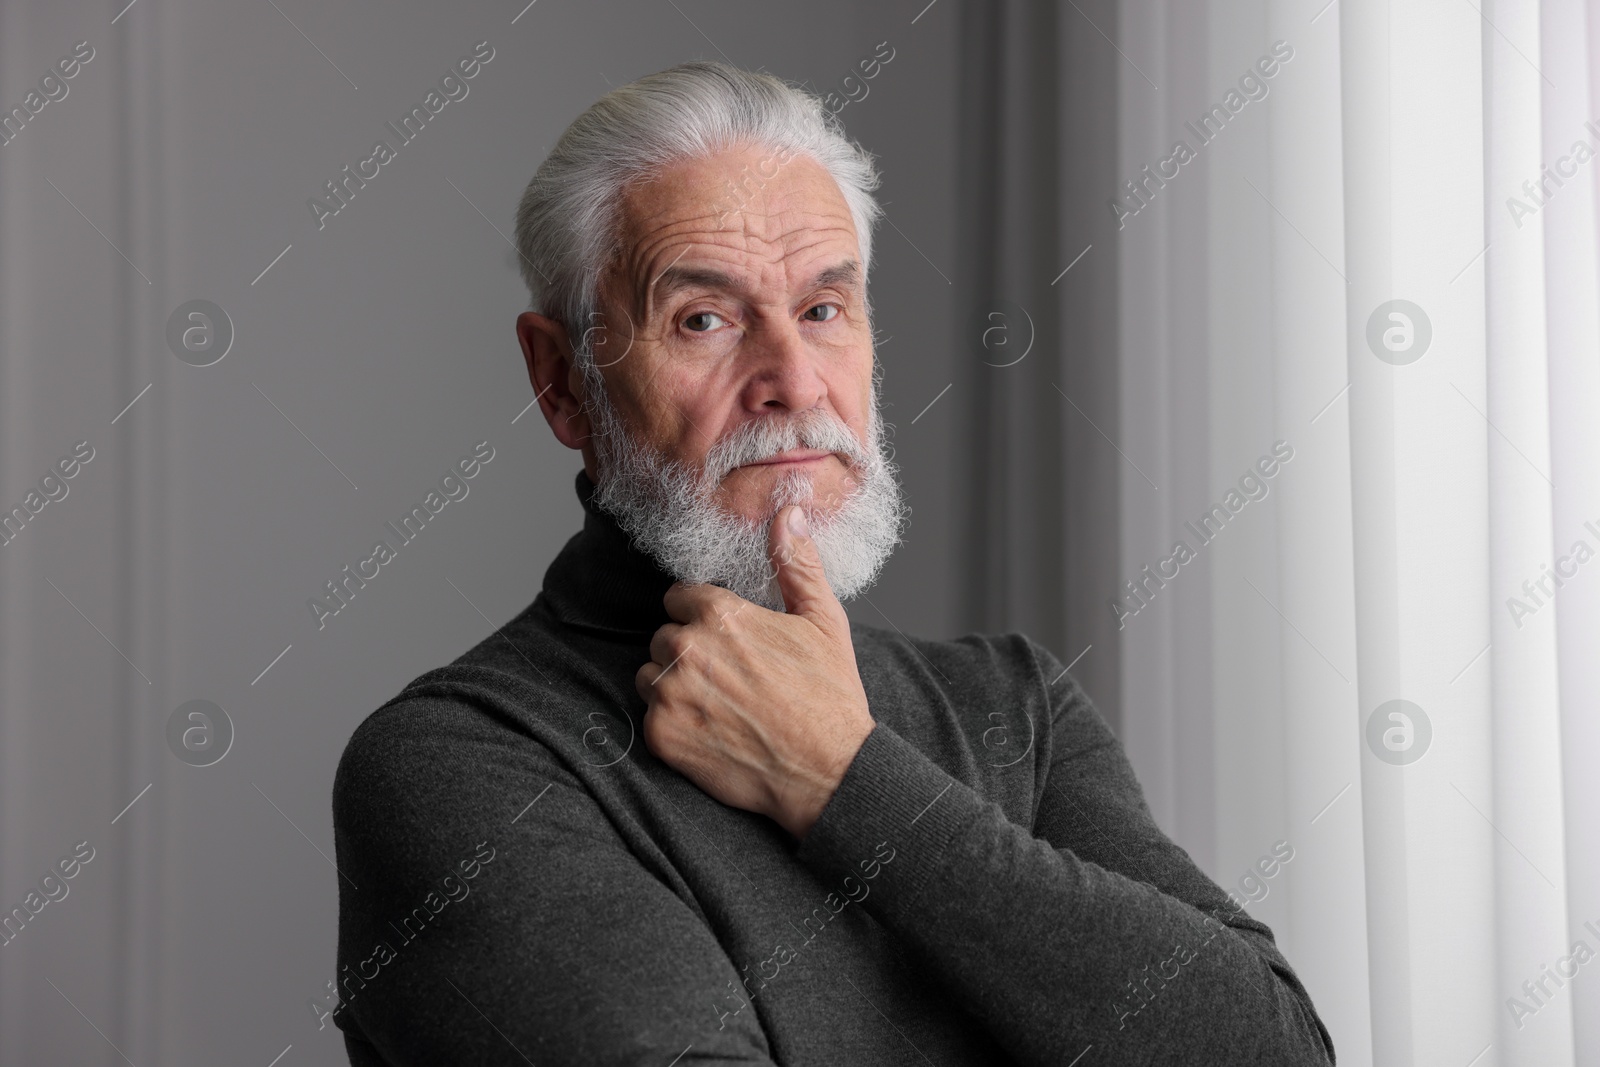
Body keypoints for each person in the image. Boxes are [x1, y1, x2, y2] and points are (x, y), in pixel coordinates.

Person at [329, 60, 1336, 1066]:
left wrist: (841, 777)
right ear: (562, 381)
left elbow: (1273, 1050)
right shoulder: (456, 763)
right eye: (704, 319)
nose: (793, 379)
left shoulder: (1010, 706)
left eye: (822, 309)